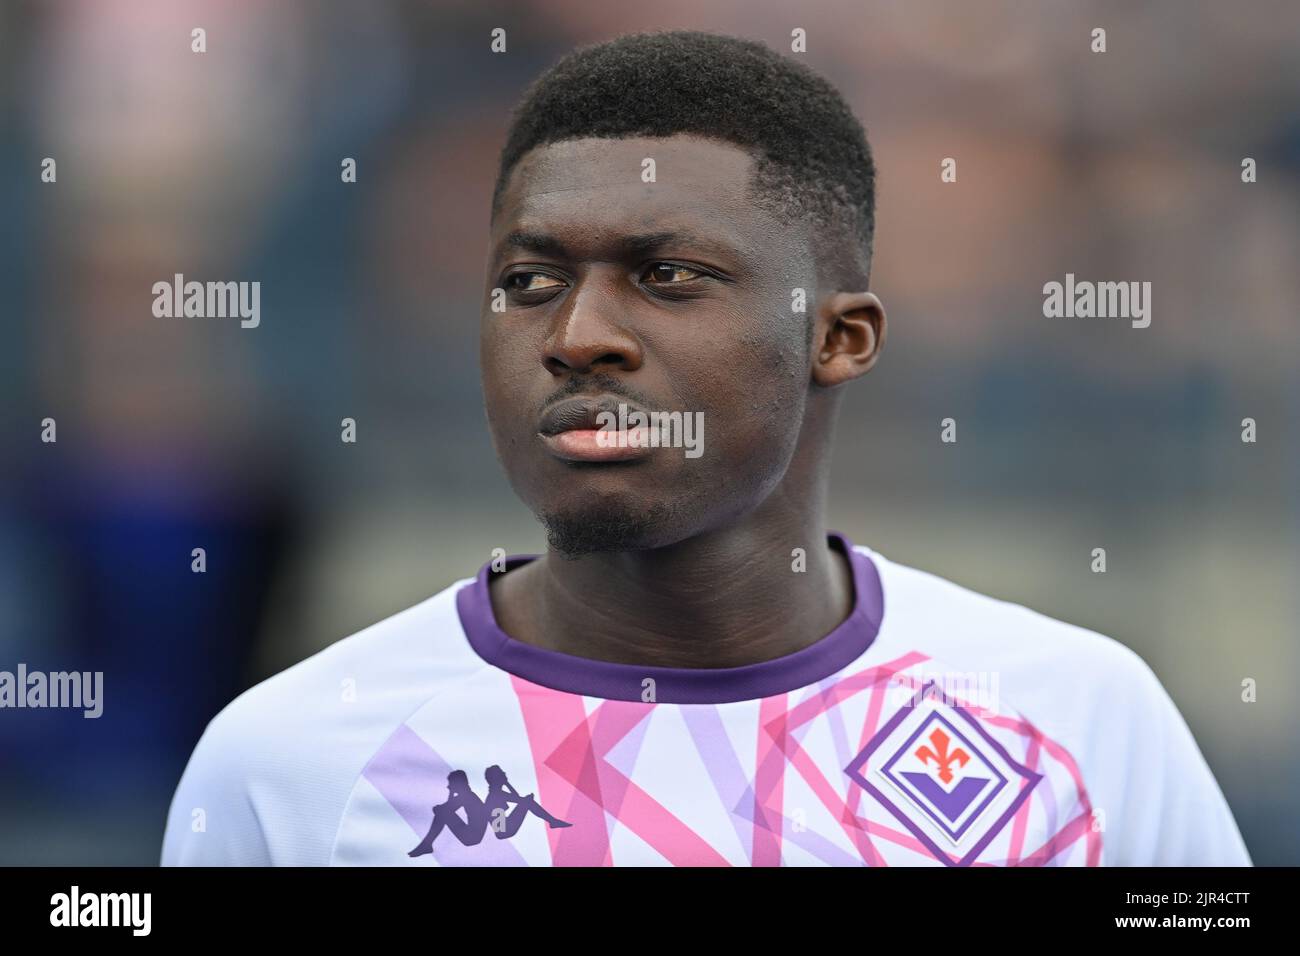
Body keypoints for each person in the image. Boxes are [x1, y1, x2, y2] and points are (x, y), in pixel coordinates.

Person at [162, 30, 1250, 867]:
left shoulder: (1077, 717)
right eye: (529, 282)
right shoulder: (292, 757)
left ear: (837, 336)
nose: (578, 335)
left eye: (668, 275)